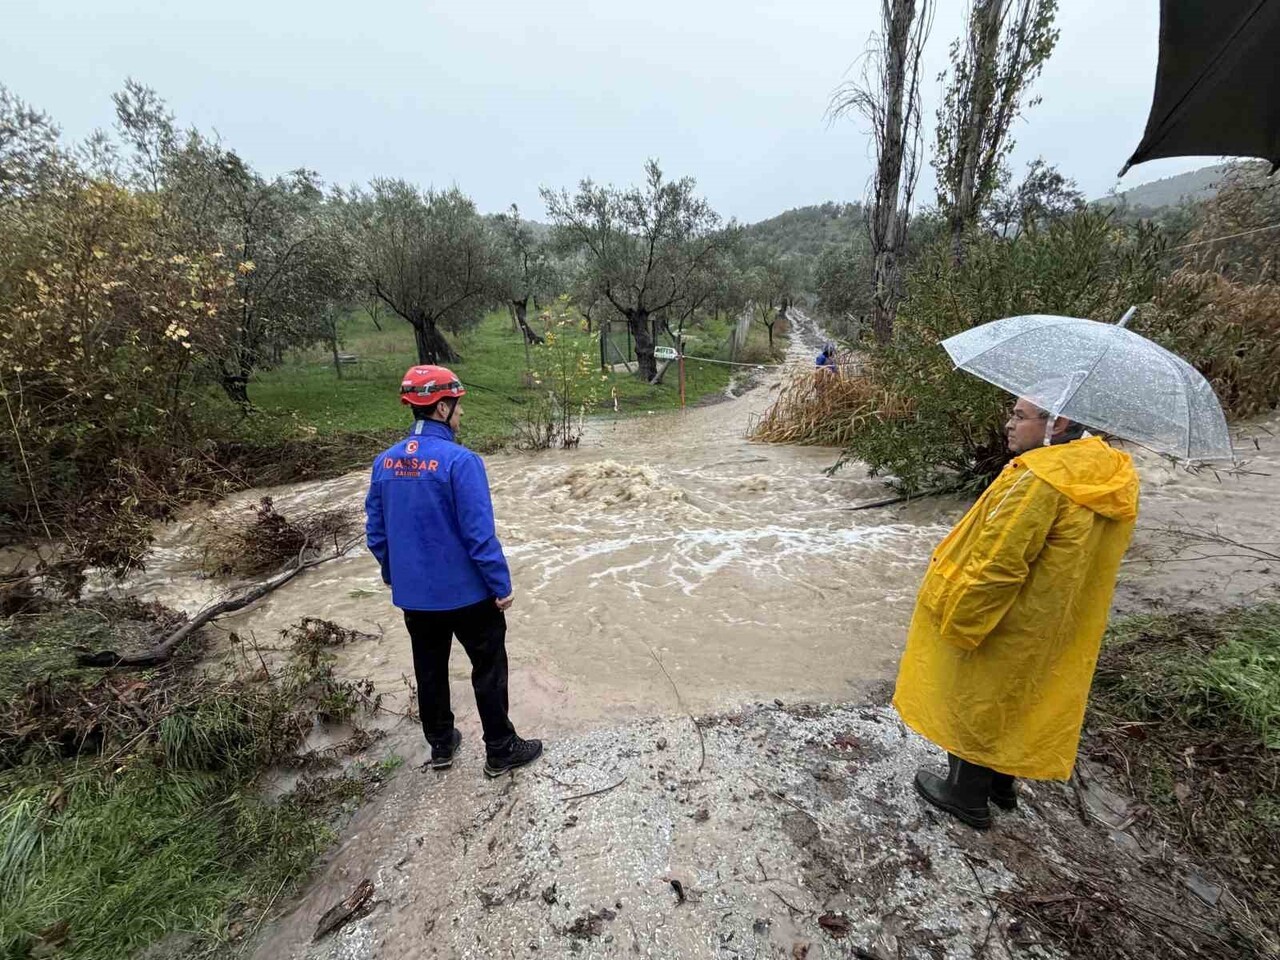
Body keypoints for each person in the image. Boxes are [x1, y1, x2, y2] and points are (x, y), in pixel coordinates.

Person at [892, 393, 1139, 828]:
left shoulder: (1040, 481)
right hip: (1058, 618)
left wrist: (962, 619)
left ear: (1057, 424)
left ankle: (966, 794)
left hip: (1011, 617)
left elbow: (998, 565)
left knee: (980, 694)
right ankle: (1002, 784)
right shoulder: (1105, 472)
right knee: (1023, 694)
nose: (1009, 423)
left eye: (1020, 416)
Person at [365, 364, 542, 777]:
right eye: (458, 407)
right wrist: (501, 585)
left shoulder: (384, 463)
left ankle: (442, 745)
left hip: (415, 596)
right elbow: (479, 536)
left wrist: (393, 573)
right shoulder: (461, 462)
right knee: (488, 667)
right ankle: (500, 748)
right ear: (442, 407)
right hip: (469, 595)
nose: (461, 415)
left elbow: (376, 532)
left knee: (429, 669)